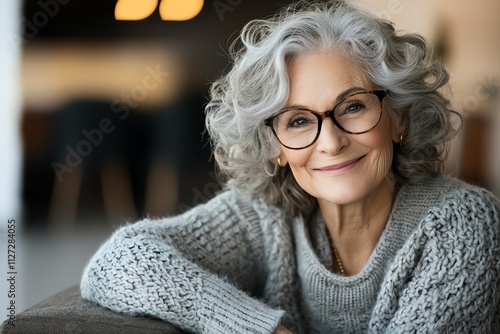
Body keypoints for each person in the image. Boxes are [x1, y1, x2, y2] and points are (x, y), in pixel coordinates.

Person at [80, 1, 500, 333]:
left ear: (400, 119)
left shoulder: (463, 224)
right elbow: (118, 262)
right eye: (298, 120)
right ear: (274, 146)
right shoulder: (265, 217)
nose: (331, 142)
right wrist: (258, 328)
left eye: (353, 106)